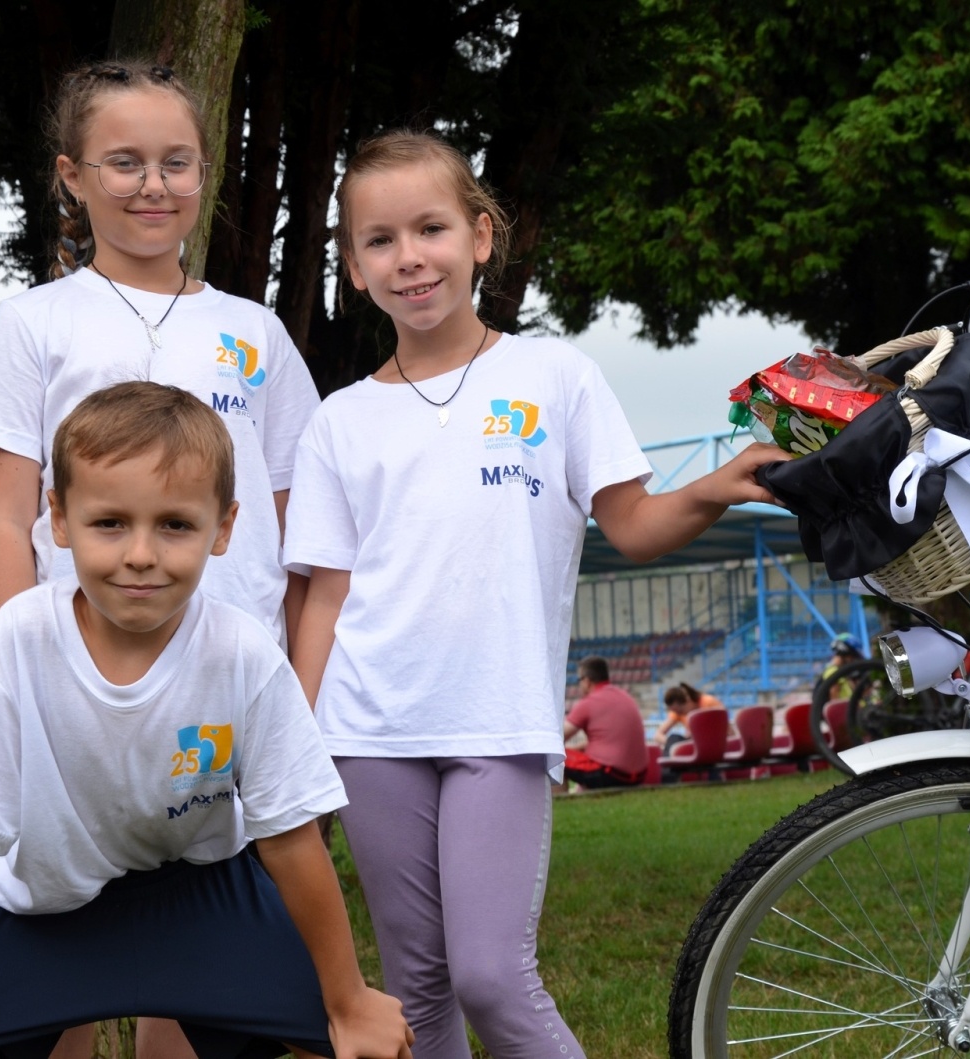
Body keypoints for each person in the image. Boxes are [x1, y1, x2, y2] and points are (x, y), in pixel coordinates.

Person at [284, 130, 787, 1059]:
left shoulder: (555, 378)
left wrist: (716, 484)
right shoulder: (337, 421)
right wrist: (296, 745)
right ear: (353, 267)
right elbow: (324, 597)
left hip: (497, 725)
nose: (410, 258)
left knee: (490, 974)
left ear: (480, 235)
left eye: (431, 228)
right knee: (419, 988)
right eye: (381, 240)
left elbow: (631, 523)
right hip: (366, 732)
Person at [0, 382, 412, 1059]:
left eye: (175, 524)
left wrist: (349, 999)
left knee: (352, 1041)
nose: (140, 553)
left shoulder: (243, 652)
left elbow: (291, 838)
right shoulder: (20, 640)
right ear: (60, 519)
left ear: (222, 527)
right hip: (40, 908)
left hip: (203, 894)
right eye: (110, 523)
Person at [0, 58, 320, 1056]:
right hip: (80, 685)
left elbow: (298, 522)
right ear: (71, 175)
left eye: (175, 162)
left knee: (195, 925)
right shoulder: (33, 325)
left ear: (206, 172)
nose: (152, 185)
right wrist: (17, 667)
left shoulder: (256, 332)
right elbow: (2, 517)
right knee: (61, 920)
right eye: (123, 162)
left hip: (222, 688)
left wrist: (296, 678)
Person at [561, 657, 648, 789]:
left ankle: (561, 804)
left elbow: (556, 739)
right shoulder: (624, 696)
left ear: (586, 681)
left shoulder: (588, 703)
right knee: (585, 765)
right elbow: (611, 741)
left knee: (553, 758)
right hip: (639, 774)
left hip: (610, 772)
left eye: (579, 680)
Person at [654, 682, 724, 751]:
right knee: (674, 738)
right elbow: (658, 735)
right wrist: (674, 744)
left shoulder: (708, 703)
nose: (679, 714)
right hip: (695, 745)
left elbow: (726, 729)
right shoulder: (678, 713)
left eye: (680, 711)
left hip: (713, 744)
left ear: (688, 700)